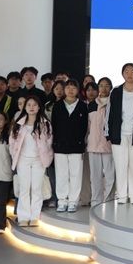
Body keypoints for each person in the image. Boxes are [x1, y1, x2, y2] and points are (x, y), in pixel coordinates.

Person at [105, 63, 133, 206]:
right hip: (119, 135)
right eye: (126, 71)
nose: (130, 74)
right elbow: (109, 112)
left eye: (132, 71)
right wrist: (108, 132)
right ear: (122, 74)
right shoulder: (116, 91)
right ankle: (122, 195)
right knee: (121, 166)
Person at [10, 96, 52, 227]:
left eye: (34, 105)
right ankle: (23, 217)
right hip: (23, 160)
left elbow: (49, 141)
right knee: (24, 188)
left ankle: (34, 216)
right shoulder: (18, 123)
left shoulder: (45, 123)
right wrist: (14, 155)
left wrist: (46, 155)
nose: (31, 107)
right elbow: (12, 142)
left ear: (39, 107)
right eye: (29, 105)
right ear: (25, 107)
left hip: (39, 160)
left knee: (36, 188)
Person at [48, 78, 87, 213]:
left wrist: (81, 142)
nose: (71, 90)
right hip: (60, 146)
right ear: (64, 90)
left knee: (76, 175)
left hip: (77, 146)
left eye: (73, 87)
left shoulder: (82, 106)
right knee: (61, 174)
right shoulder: (58, 105)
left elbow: (84, 127)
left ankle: (73, 201)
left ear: (78, 90)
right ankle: (62, 201)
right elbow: (54, 126)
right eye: (68, 87)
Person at [85, 78, 114, 206]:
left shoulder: (114, 103)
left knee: (110, 175)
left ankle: (109, 201)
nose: (104, 88)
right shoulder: (91, 105)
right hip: (93, 144)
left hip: (109, 145)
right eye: (101, 85)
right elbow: (87, 126)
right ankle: (96, 202)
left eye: (107, 85)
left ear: (110, 87)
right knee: (95, 176)